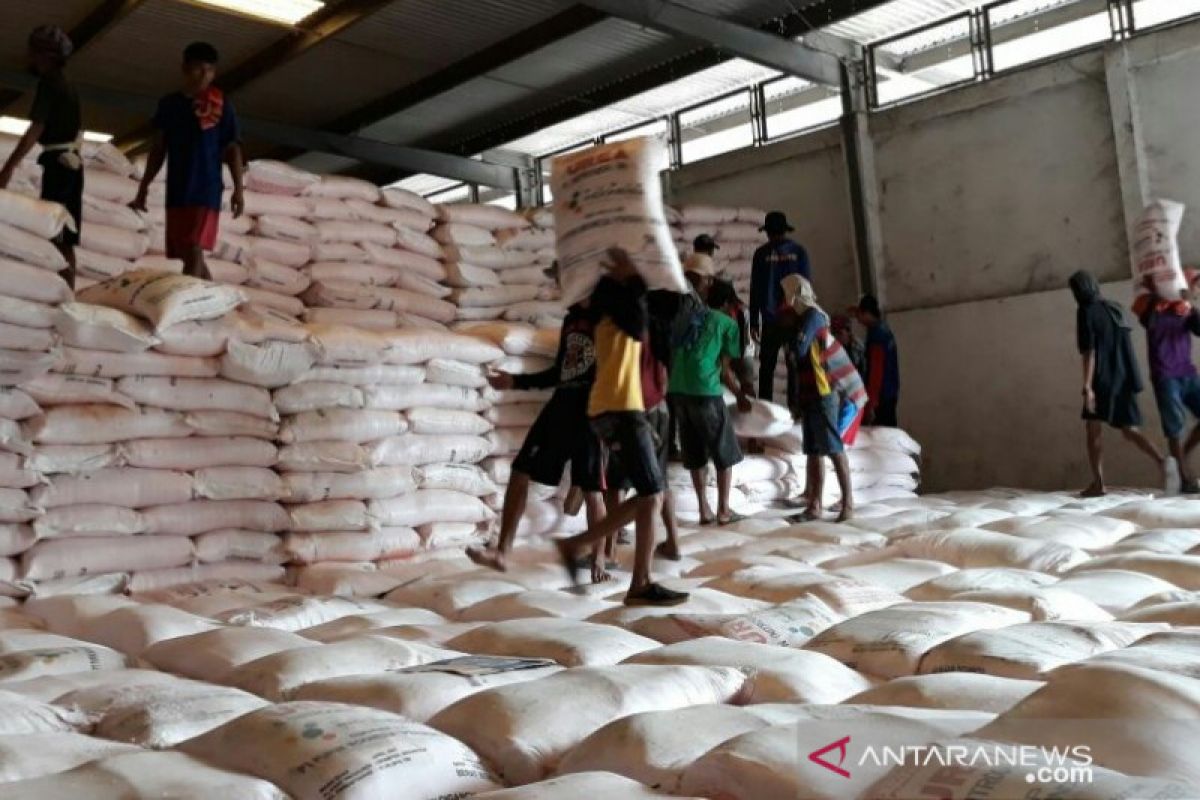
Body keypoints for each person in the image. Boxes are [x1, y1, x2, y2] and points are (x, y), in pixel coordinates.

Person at [554, 249, 688, 607]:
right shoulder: (619, 315)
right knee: (652, 494)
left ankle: (589, 552)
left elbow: (660, 314)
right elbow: (642, 311)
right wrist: (634, 276)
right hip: (620, 410)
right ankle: (637, 583)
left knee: (651, 495)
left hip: (616, 410)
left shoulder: (615, 315)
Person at [467, 264, 606, 575]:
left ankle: (598, 558)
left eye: (563, 280)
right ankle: (502, 553)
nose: (560, 287)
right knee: (520, 472)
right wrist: (515, 382)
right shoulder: (571, 320)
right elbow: (559, 373)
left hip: (591, 411)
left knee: (592, 486)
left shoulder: (606, 318)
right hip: (561, 405)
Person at [131, 41, 244, 280]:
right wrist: (143, 187)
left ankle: (186, 303)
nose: (205, 75)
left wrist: (238, 190)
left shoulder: (221, 105)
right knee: (187, 252)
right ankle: (211, 301)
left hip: (206, 188)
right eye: (199, 69)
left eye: (210, 70)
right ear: (184, 68)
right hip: (178, 187)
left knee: (193, 248)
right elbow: (159, 149)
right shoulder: (170, 105)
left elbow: (233, 149)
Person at [1070, 270, 1170, 498]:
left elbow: (1090, 352)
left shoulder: (1085, 311)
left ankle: (1099, 483)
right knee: (1129, 429)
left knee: (1093, 430)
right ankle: (1163, 461)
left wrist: (1087, 386)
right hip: (1125, 376)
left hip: (1101, 379)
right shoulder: (1115, 308)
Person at [669, 255, 753, 526]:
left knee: (694, 453)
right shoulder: (726, 324)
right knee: (724, 452)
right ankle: (724, 510)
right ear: (729, 304)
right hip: (705, 391)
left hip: (678, 390)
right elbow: (725, 369)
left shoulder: (686, 315)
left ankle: (704, 510)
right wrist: (740, 395)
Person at [0, 26, 82, 289]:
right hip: (72, 164)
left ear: (45, 55)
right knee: (65, 233)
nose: (30, 57)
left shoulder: (50, 83)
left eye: (33, 52)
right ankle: (67, 291)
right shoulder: (69, 84)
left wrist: (8, 168)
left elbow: (36, 128)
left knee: (53, 229)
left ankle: (60, 291)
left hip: (59, 164)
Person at [783, 275, 855, 522]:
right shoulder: (804, 319)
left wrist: (790, 328)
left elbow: (799, 349)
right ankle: (814, 505)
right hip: (809, 394)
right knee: (813, 451)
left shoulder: (813, 317)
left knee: (834, 449)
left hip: (823, 393)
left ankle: (848, 504)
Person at [1133, 273, 1200, 493]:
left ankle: (1183, 455)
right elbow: (1148, 322)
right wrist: (1154, 293)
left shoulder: (1184, 310)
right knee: (1174, 429)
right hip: (1165, 375)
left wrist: (1191, 303)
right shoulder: (1151, 309)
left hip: (1187, 373)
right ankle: (1184, 477)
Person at [750, 211, 811, 403]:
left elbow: (755, 289)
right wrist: (804, 319)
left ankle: (766, 407)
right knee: (795, 364)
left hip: (770, 320)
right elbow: (805, 288)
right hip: (794, 319)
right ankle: (796, 408)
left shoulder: (761, 254)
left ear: (767, 232)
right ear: (785, 230)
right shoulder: (799, 252)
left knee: (767, 367)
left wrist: (753, 321)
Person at [854, 294, 901, 427]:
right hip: (890, 392)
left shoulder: (877, 336)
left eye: (860, 315)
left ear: (867, 313)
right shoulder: (884, 330)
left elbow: (876, 371)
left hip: (882, 396)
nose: (858, 320)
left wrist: (871, 403)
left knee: (882, 434)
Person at [831, 314, 866, 378]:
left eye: (839, 333)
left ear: (848, 332)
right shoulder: (833, 347)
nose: (836, 337)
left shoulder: (858, 347)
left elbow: (865, 370)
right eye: (834, 333)